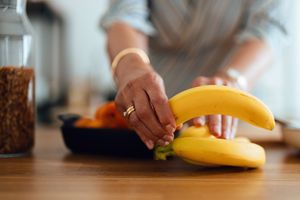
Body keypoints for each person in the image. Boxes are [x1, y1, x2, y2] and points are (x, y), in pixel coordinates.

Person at [100, 0, 289, 150]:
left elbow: (269, 27)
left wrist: (234, 79)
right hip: (154, 107)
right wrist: (132, 67)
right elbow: (124, 14)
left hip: (246, 112)